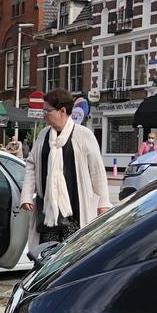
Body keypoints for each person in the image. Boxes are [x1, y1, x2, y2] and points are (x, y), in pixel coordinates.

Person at [21, 89, 111, 251]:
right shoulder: (43, 135)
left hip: (77, 210)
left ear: (62, 111)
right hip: (49, 213)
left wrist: (103, 203)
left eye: (47, 110)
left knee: (74, 255)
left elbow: (97, 171)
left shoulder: (84, 135)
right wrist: (27, 195)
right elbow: (31, 164)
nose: (44, 114)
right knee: (47, 255)